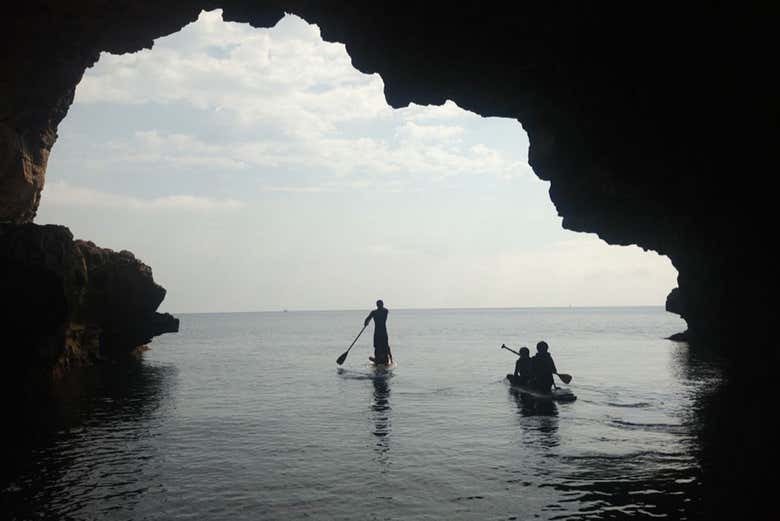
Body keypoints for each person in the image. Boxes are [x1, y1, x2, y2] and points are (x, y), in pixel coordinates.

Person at [365, 299, 392, 365]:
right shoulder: (385, 311)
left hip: (378, 331)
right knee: (384, 345)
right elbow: (367, 319)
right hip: (382, 331)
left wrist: (366, 322)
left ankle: (383, 359)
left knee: (380, 345)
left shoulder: (374, 312)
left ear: (377, 305)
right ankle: (384, 359)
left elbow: (367, 319)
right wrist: (366, 322)